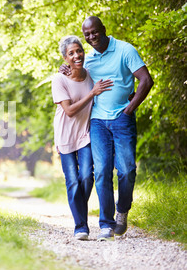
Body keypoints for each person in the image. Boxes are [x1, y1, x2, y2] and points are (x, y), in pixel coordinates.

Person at [60, 16, 154, 241]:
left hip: (122, 119)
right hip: (98, 122)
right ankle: (106, 224)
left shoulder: (125, 50)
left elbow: (146, 80)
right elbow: (74, 74)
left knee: (127, 169)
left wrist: (130, 108)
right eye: (87, 35)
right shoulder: (88, 59)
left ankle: (122, 210)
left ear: (103, 29)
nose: (92, 37)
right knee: (101, 172)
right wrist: (64, 66)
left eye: (95, 32)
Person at [52, 35, 113, 240]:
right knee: (73, 182)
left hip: (85, 134)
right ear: (65, 58)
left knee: (86, 176)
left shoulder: (90, 75)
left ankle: (78, 210)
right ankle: (81, 226)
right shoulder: (59, 79)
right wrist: (91, 94)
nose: (77, 55)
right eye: (71, 53)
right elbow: (69, 111)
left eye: (79, 51)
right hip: (65, 135)